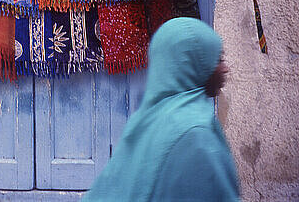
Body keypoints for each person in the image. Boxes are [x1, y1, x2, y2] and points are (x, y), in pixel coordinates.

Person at [82, 17, 240, 202]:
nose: (225, 68)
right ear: (194, 64)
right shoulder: (194, 133)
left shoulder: (145, 121)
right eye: (218, 59)